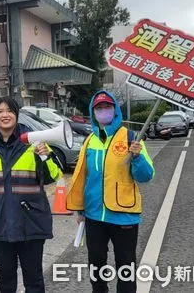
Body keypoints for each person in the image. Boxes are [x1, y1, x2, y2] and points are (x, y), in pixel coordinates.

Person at [0, 96, 63, 293]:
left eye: (10, 111)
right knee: (6, 276)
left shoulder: (33, 142)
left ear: (17, 115)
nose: (5, 115)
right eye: (0, 111)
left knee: (34, 277)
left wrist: (44, 155)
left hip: (31, 219)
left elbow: (53, 176)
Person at [66, 91, 155, 293]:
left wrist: (137, 157)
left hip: (124, 215)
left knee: (126, 267)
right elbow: (83, 176)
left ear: (114, 110)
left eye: (107, 107)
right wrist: (80, 210)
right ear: (93, 112)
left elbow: (146, 175)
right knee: (96, 267)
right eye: (99, 108)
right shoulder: (90, 140)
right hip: (94, 215)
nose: (103, 111)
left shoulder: (131, 137)